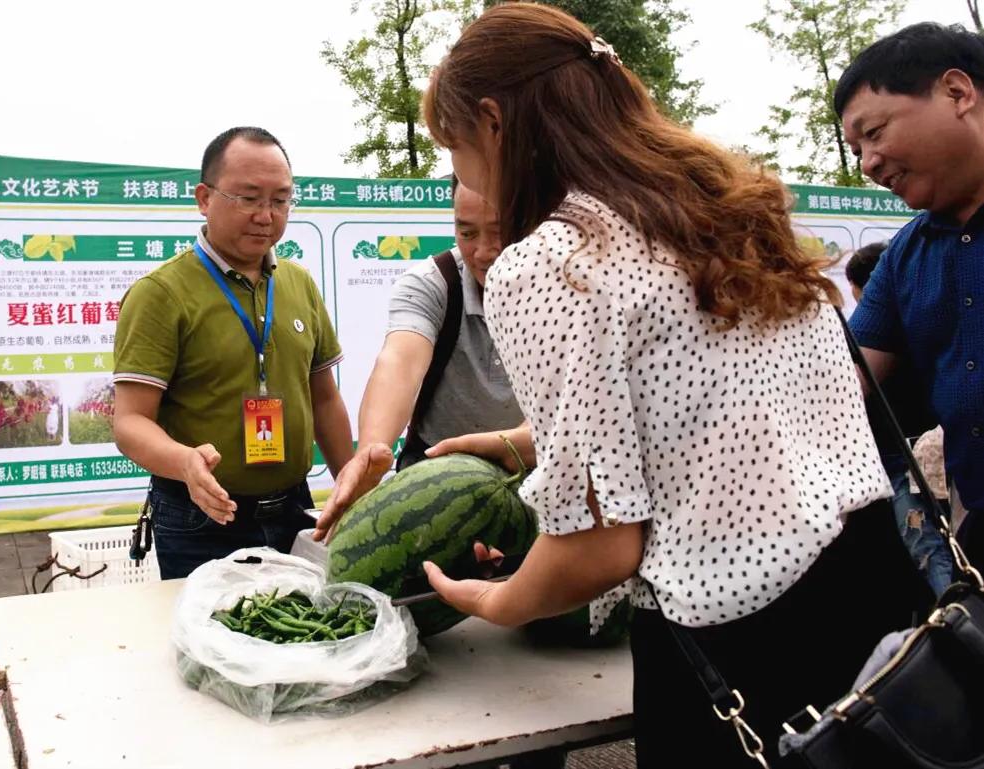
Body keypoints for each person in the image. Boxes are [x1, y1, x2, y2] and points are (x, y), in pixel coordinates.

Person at [415, 5, 931, 768]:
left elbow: (599, 547)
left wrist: (497, 599)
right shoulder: (728, 209)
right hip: (874, 584)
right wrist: (520, 445)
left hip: (743, 637)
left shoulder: (549, 261)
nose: (460, 176)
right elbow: (711, 404)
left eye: (453, 150)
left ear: (492, 122)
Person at [113, 126, 353, 580]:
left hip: (294, 509)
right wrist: (184, 461)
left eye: (280, 200)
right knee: (212, 645)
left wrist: (353, 485)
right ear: (204, 198)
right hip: (201, 518)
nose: (266, 215)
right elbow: (130, 422)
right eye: (248, 197)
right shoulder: (161, 293)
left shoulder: (299, 283)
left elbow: (323, 398)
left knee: (299, 639)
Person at [836, 22, 984, 572]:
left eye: (873, 133)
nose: (869, 163)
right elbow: (842, 381)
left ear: (956, 92)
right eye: (856, 150)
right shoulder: (905, 257)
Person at [313, 177, 523, 541]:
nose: (485, 252)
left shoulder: (570, 291)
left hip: (535, 480)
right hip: (434, 490)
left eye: (499, 232)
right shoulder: (433, 283)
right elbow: (400, 363)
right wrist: (372, 450)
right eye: (467, 232)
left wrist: (517, 446)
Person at [846, 243, 952, 594]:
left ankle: (964, 626)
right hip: (937, 454)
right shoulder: (930, 331)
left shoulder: (879, 340)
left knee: (929, 550)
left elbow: (852, 388)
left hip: (906, 460)